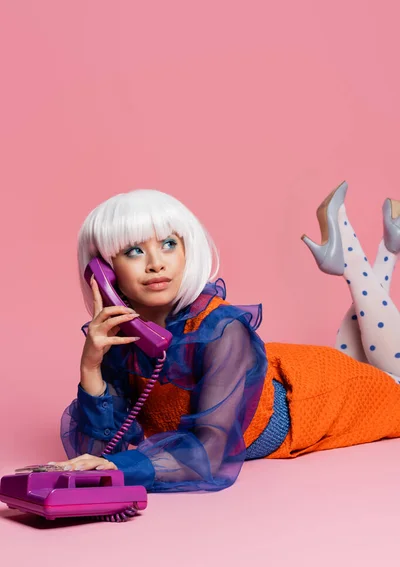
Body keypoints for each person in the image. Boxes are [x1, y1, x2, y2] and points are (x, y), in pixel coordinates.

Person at [50, 182, 400, 492]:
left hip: (322, 394)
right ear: (104, 272)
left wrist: (119, 470)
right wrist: (91, 369)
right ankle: (380, 249)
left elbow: (210, 454)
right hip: (300, 371)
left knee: (392, 381)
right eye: (134, 251)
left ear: (188, 250)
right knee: (373, 354)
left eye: (169, 244)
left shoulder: (222, 330)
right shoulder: (118, 337)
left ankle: (358, 258)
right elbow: (99, 452)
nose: (156, 263)